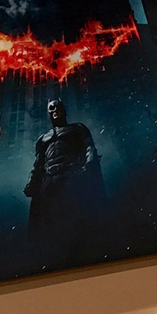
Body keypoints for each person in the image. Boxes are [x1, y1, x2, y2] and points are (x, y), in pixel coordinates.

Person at [24, 99, 107, 240]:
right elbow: (38, 164)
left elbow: (89, 148)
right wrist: (32, 183)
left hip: (69, 175)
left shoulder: (77, 129)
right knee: (47, 220)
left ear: (64, 111)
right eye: (52, 108)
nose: (55, 110)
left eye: (58, 107)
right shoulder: (43, 138)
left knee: (74, 215)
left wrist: (89, 166)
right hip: (48, 180)